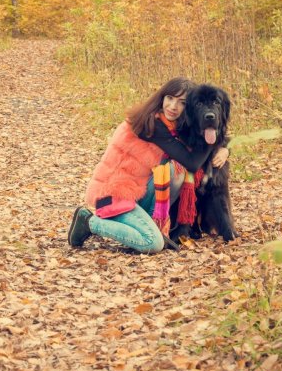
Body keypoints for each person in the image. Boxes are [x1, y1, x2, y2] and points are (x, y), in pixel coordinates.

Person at [67, 77, 229, 253]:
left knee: (174, 170)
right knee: (152, 243)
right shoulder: (153, 125)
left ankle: (152, 224)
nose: (173, 106)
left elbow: (197, 143)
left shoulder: (172, 126)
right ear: (162, 97)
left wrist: (226, 149)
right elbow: (192, 162)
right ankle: (89, 222)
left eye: (181, 102)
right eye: (170, 98)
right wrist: (214, 139)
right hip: (114, 194)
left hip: (138, 193)